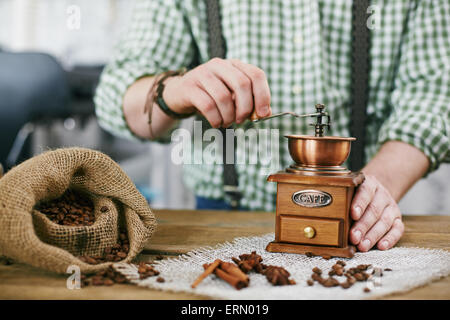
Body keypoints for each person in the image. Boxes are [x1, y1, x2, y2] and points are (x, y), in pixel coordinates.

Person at [95, 1, 449, 253]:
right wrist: (174, 90)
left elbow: (433, 95)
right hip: (217, 218)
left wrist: (376, 189)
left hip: (354, 224)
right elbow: (116, 100)